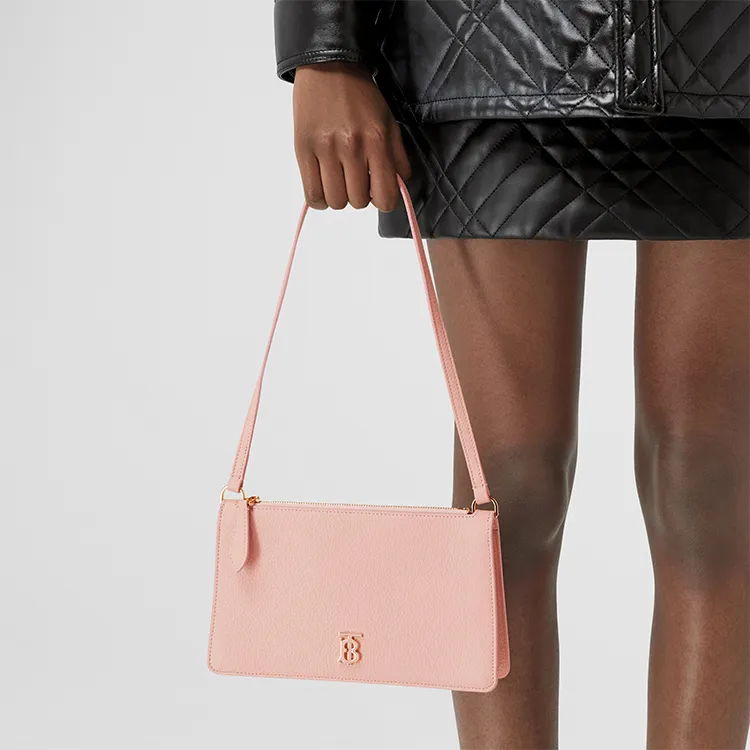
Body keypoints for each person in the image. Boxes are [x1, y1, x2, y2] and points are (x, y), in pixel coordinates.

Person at [274, 2, 750, 747]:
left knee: (707, 478)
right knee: (507, 485)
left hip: (729, 41)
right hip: (484, 38)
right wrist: (324, 44)